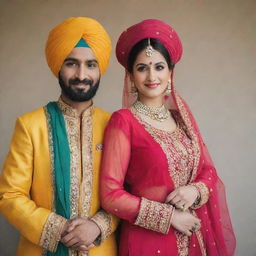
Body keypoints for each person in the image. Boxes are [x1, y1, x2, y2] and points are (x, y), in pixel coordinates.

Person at [100, 19, 236, 256]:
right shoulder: (123, 121)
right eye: (142, 68)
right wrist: (169, 216)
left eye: (159, 67)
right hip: (147, 242)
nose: (152, 76)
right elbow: (111, 195)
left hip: (193, 237)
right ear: (131, 76)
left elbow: (208, 170)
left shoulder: (181, 119)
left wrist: (194, 191)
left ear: (170, 72)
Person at [0, 17, 118, 256]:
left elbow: (128, 191)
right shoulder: (30, 125)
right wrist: (62, 230)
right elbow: (10, 195)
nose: (81, 74)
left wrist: (97, 226)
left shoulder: (115, 125)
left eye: (91, 65)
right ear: (58, 67)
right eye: (71, 63)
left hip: (100, 249)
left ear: (100, 69)